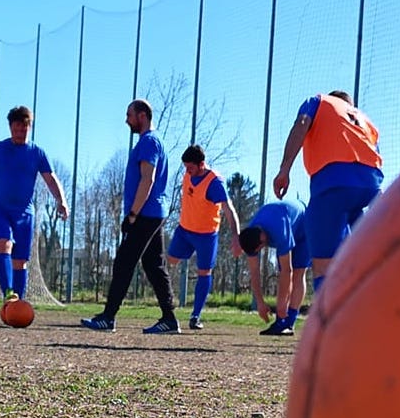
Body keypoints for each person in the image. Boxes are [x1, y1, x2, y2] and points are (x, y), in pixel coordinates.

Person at [80, 99, 179, 335]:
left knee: (124, 262)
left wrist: (133, 213)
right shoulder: (151, 142)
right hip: (153, 213)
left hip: (146, 213)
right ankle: (169, 319)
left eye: (129, 115)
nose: (126, 120)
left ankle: (108, 317)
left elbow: (148, 179)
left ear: (142, 116)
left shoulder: (149, 142)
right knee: (153, 265)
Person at [271, 89, 381, 299]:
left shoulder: (319, 101)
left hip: (334, 181)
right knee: (355, 260)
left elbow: (302, 124)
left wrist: (284, 169)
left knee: (323, 267)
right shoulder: (364, 120)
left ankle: (330, 326)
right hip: (371, 186)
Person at [0, 105, 69, 302]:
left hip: (24, 213)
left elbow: (51, 178)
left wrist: (61, 201)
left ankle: (18, 304)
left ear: (30, 127)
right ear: (10, 127)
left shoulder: (37, 153)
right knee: (3, 243)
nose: (20, 133)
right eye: (16, 128)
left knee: (20, 261)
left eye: (24, 129)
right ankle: (8, 292)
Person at [167, 145, 241, 331]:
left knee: (204, 272)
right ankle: (167, 304)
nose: (187, 171)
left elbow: (228, 208)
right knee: (169, 261)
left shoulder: (214, 183)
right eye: (185, 167)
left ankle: (195, 315)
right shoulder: (188, 174)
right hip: (184, 230)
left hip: (206, 235)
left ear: (201, 164)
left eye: (190, 168)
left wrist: (236, 236)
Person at [238, 200, 311, 336]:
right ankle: (280, 322)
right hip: (285, 221)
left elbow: (287, 271)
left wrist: (281, 305)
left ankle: (289, 322)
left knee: (298, 272)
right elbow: (254, 272)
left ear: (262, 238)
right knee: (283, 272)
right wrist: (259, 302)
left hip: (305, 226)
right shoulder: (250, 237)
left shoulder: (279, 231)